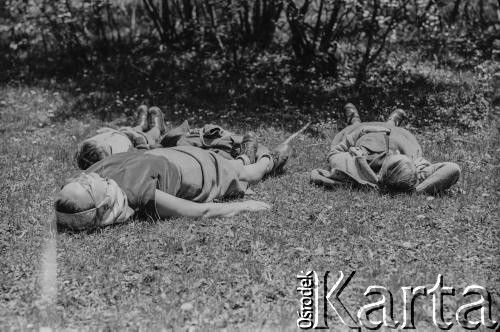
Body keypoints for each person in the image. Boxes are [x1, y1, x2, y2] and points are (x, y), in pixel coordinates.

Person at [54, 136, 292, 231]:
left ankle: (244, 156)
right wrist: (244, 206)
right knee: (245, 175)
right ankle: (268, 161)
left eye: (79, 179)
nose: (87, 177)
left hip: (170, 154)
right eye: (86, 186)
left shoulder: (97, 173)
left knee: (236, 166)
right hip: (198, 172)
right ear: (102, 204)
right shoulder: (141, 196)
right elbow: (201, 211)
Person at [311, 103, 461, 194]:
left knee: (354, 125)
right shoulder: (410, 175)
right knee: (390, 127)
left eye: (395, 155)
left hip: (364, 132)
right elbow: (453, 168)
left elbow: (333, 154)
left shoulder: (354, 168)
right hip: (397, 135)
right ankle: (392, 120)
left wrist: (358, 133)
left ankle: (353, 117)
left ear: (383, 172)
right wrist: (416, 190)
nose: (394, 153)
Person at [75, 104, 269, 169]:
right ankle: (151, 128)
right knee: (151, 139)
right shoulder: (127, 162)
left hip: (134, 142)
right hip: (147, 148)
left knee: (136, 134)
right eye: (108, 147)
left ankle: (141, 126)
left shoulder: (102, 147)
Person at [75, 105, 165, 169]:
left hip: (122, 133)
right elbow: (140, 151)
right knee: (151, 135)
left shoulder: (93, 143)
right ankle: (157, 127)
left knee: (135, 128)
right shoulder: (120, 154)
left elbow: (98, 138)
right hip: (136, 140)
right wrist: (137, 138)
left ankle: (142, 125)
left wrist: (110, 131)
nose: (105, 141)